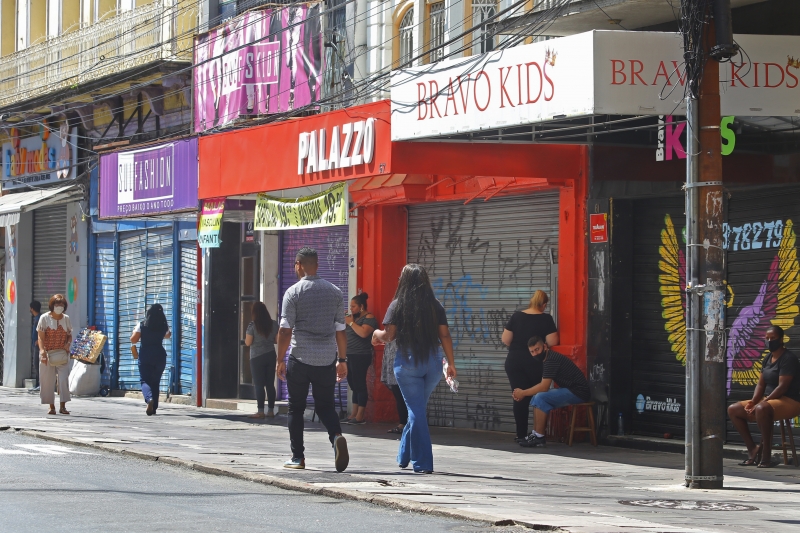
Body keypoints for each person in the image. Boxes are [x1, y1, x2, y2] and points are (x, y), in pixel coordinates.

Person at [372, 264, 456, 474]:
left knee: (416, 410)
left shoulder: (397, 305)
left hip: (408, 362)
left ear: (404, 281)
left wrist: (375, 334)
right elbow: (445, 335)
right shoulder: (435, 305)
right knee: (416, 408)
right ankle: (403, 455)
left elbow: (389, 336)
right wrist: (451, 363)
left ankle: (423, 462)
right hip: (433, 362)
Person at [277, 247, 350, 472]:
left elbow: (285, 330)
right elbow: (341, 330)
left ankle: (298, 457)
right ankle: (336, 436)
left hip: (300, 358)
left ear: (298, 265)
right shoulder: (335, 292)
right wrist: (342, 359)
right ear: (317, 265)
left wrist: (280, 359)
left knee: (296, 408)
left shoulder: (293, 292)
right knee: (325, 406)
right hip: (326, 360)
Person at [728, 326, 800, 468]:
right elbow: (761, 384)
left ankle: (766, 457)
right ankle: (753, 449)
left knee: (762, 408)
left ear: (781, 339)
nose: (769, 341)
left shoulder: (788, 358)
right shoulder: (767, 358)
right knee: (734, 409)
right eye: (767, 338)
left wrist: (762, 403)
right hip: (769, 400)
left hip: (790, 401)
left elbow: (782, 387)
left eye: (773, 338)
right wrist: (753, 401)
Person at [501, 290, 559, 442]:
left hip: (514, 361)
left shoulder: (517, 316)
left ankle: (521, 435)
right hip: (535, 361)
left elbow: (505, 339)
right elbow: (553, 341)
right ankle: (536, 433)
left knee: (519, 396)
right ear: (544, 305)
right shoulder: (546, 319)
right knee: (537, 395)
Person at [512, 336, 591, 447]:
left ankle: (539, 437)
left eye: (537, 349)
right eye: (532, 352)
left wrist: (522, 393)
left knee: (540, 397)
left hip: (578, 392)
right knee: (536, 397)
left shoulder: (551, 359)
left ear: (545, 346)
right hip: (570, 389)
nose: (535, 354)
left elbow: (544, 387)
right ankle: (535, 434)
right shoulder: (547, 358)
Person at [131, 304, 171, 416]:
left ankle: (149, 399)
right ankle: (154, 408)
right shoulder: (164, 326)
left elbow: (133, 340)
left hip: (146, 355)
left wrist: (134, 332)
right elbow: (168, 336)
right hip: (160, 356)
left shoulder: (142, 324)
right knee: (155, 382)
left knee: (145, 380)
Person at [344, 292, 378, 424]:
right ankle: (353, 414)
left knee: (359, 384)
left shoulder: (369, 317)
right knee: (353, 384)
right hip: (349, 354)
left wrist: (351, 323)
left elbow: (364, 333)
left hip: (361, 355)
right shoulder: (353, 319)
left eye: (353, 306)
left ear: (361, 307)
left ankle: (360, 416)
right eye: (350, 306)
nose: (351, 309)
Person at [37, 294, 73, 415]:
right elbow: (40, 337)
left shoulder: (66, 318)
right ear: (52, 305)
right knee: (47, 380)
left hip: (62, 353)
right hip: (48, 353)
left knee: (63, 380)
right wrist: (42, 352)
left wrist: (68, 344)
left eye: (61, 305)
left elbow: (69, 334)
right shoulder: (44, 318)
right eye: (57, 304)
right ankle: (51, 406)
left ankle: (63, 406)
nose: (59, 307)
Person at [245, 302, 279, 419]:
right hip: (270, 355)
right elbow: (276, 340)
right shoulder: (274, 324)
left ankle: (260, 412)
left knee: (259, 385)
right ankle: (271, 411)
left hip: (257, 357)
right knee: (270, 384)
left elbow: (248, 342)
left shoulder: (252, 325)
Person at [381, 340, 408, 434]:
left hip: (403, 358)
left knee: (404, 396)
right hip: (394, 355)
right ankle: (403, 423)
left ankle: (405, 423)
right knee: (399, 395)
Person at [30, 301, 41, 388]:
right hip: (36, 344)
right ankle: (38, 384)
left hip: (39, 345)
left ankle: (40, 384)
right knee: (36, 364)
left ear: (32, 309)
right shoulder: (37, 318)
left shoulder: (39, 318)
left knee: (37, 364)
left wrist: (38, 340)